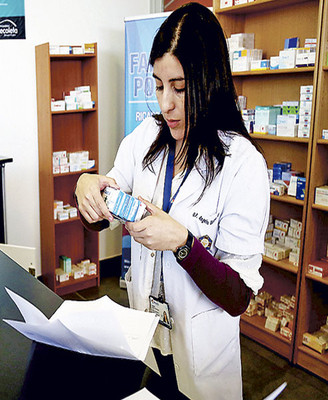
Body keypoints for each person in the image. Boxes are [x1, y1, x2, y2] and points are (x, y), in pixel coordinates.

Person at [75, 3, 269, 400]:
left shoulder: (243, 166)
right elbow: (105, 214)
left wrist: (183, 243)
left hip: (203, 359)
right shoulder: (146, 136)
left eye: (180, 88)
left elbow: (237, 297)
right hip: (146, 338)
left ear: (209, 81)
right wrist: (89, 194)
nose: (166, 103)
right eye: (159, 85)